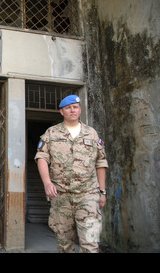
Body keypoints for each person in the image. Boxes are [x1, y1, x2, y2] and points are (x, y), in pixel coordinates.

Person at [34, 95, 108, 253]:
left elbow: (101, 162)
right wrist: (47, 183)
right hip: (61, 196)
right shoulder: (52, 133)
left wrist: (102, 191)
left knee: (91, 243)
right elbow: (41, 158)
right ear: (62, 112)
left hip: (88, 195)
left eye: (75, 107)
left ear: (80, 109)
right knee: (64, 244)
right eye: (68, 108)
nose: (72, 110)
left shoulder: (91, 134)